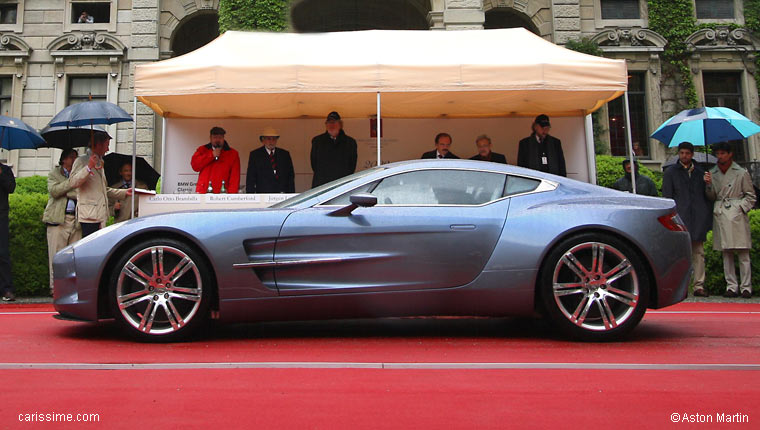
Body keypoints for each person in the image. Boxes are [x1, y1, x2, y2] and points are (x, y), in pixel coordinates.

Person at [704, 142, 757, 299]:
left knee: (743, 252)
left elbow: (751, 195)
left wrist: (740, 208)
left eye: (722, 153)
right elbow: (712, 197)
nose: (720, 156)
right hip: (720, 212)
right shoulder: (712, 173)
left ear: (730, 154)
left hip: (736, 213)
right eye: (718, 154)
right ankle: (731, 286)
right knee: (726, 252)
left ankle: (746, 287)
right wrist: (708, 185)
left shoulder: (741, 172)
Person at [662, 142, 712, 297]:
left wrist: (708, 184)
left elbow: (709, 196)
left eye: (687, 153)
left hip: (697, 216)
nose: (684, 156)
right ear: (679, 154)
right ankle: (680, 286)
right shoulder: (671, 172)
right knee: (680, 254)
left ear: (692, 154)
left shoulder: (700, 172)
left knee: (698, 252)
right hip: (680, 216)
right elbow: (667, 196)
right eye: (682, 153)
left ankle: (699, 285)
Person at [69, 131, 132, 237]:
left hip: (100, 215)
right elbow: (73, 182)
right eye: (106, 145)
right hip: (89, 215)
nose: (107, 149)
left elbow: (103, 189)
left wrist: (125, 192)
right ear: (98, 145)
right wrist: (88, 167)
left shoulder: (100, 161)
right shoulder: (82, 160)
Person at [42, 149, 82, 295]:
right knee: (56, 255)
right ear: (64, 159)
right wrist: (71, 183)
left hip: (75, 219)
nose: (74, 160)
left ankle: (71, 287)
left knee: (74, 257)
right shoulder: (54, 173)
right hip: (58, 220)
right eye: (72, 157)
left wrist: (66, 189)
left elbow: (79, 194)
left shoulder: (80, 174)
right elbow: (54, 191)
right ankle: (55, 287)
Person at [310, 111, 357, 188]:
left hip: (342, 184)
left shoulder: (350, 142)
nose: (331, 125)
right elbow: (314, 164)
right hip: (322, 184)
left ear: (340, 124)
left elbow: (352, 166)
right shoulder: (317, 141)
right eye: (329, 122)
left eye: (334, 122)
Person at [191, 126, 240, 193]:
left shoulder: (233, 154)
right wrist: (211, 155)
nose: (217, 140)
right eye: (215, 137)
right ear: (210, 138)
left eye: (220, 138)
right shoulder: (202, 150)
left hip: (222, 193)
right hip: (203, 192)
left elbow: (234, 178)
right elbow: (195, 166)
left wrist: (231, 196)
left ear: (223, 138)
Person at [246, 127, 295, 193]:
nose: (271, 141)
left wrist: (291, 194)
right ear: (263, 140)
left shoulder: (284, 154)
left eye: (274, 139)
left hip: (282, 194)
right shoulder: (255, 155)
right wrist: (250, 196)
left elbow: (290, 176)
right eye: (268, 139)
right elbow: (250, 178)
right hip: (263, 195)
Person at [0, 161, 15, 301]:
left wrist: (1, 175)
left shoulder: (5, 170)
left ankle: (7, 289)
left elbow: (11, 188)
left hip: (1, 216)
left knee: (3, 253)